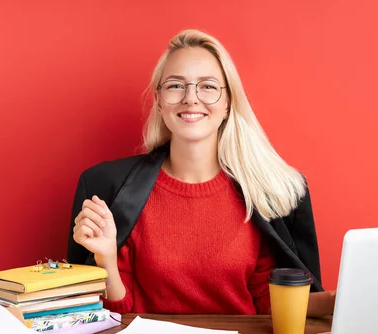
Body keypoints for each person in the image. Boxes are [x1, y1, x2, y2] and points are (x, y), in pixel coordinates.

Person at [68, 29, 335, 316]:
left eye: (207, 86)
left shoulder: (268, 191)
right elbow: (116, 316)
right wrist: (106, 258)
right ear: (159, 101)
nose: (191, 98)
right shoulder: (110, 188)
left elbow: (272, 308)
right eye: (175, 86)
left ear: (228, 102)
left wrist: (344, 300)